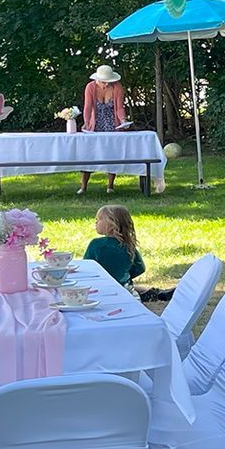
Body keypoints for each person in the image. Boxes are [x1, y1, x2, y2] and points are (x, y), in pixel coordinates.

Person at [78, 63, 127, 195]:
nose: (106, 84)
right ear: (97, 79)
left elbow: (119, 108)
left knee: (112, 154)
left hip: (112, 124)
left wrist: (123, 120)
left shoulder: (117, 87)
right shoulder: (90, 87)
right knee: (89, 154)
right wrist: (86, 122)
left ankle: (110, 185)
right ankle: (83, 186)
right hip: (96, 123)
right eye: (103, 81)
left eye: (108, 82)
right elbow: (87, 107)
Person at [83, 204, 145, 288]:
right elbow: (140, 268)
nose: (96, 222)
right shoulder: (128, 245)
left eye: (99, 219)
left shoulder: (96, 245)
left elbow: (86, 267)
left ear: (112, 224)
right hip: (124, 287)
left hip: (100, 286)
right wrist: (123, 276)